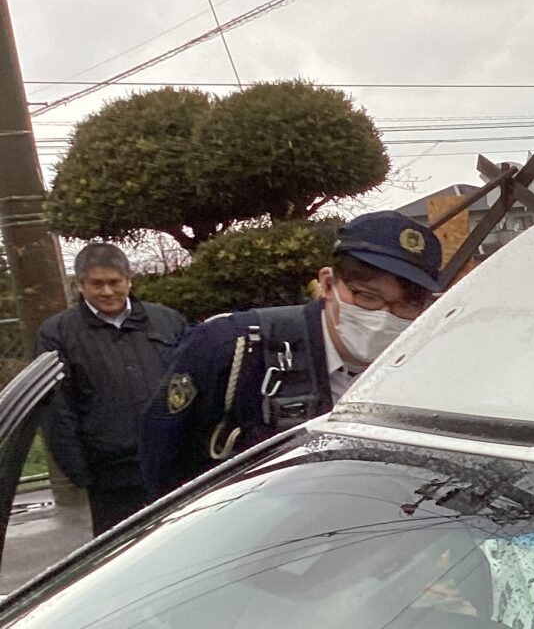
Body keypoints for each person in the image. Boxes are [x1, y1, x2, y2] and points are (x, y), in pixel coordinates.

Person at [139, 211, 444, 499]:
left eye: (406, 306)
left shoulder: (426, 371)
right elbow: (161, 460)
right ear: (328, 284)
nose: (384, 317)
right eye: (367, 297)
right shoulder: (233, 346)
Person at [35, 241, 188, 534]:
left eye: (114, 282)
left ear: (129, 281)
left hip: (174, 464)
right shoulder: (58, 334)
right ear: (80, 285)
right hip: (111, 476)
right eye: (96, 284)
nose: (107, 292)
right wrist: (78, 472)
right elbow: (57, 409)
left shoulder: (168, 321)